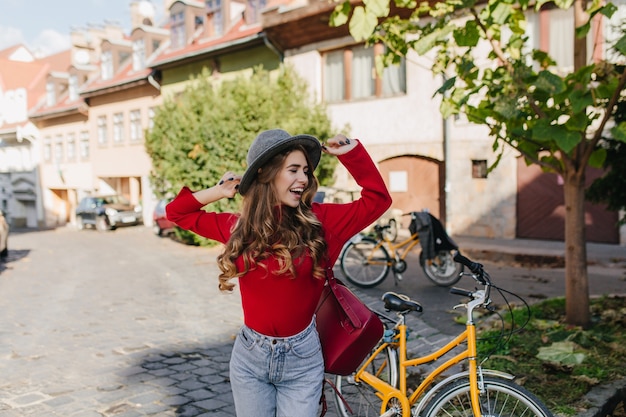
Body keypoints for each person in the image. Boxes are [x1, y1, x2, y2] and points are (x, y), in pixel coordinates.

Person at [166, 129, 391, 417]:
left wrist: (353, 153)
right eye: (293, 170)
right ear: (267, 174)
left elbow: (377, 199)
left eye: (306, 171)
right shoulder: (239, 227)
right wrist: (218, 191)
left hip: (303, 360)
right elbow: (176, 213)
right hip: (250, 359)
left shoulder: (322, 223)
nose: (303, 179)